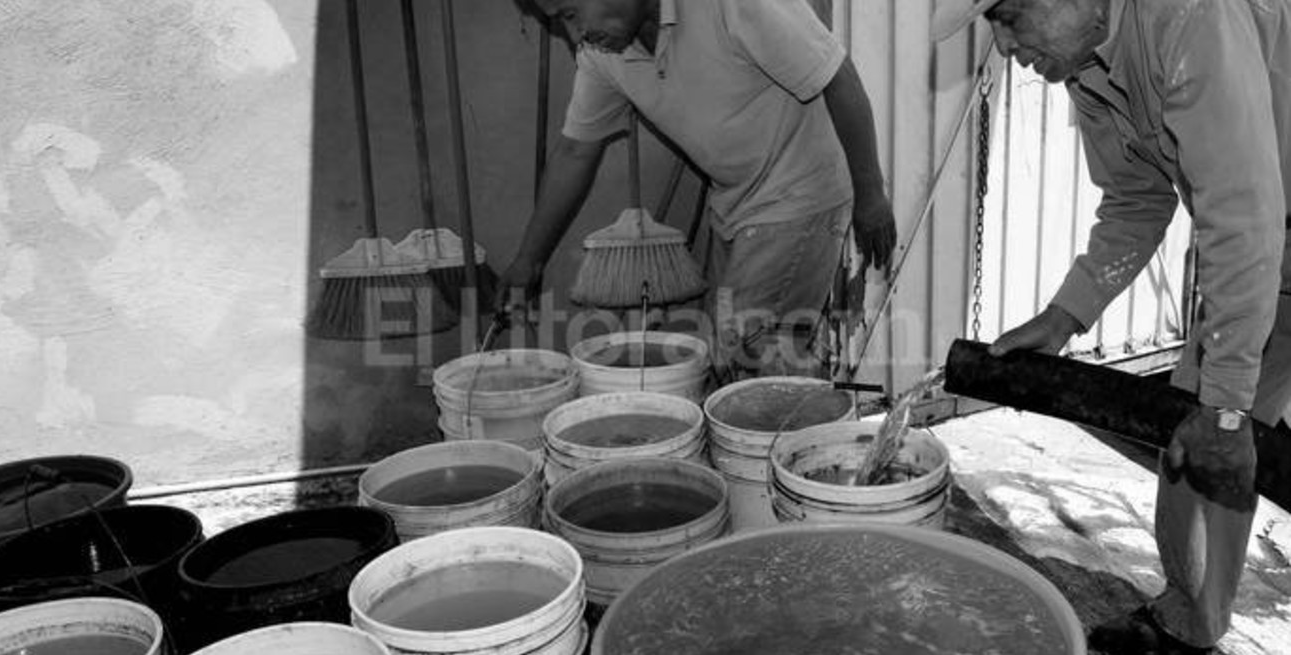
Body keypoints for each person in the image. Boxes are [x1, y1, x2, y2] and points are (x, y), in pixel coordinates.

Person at [933, 0, 1291, 652]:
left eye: (1011, 16)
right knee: (1191, 445)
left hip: (1262, 231)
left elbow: (1244, 215)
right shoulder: (1087, 66)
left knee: (1217, 425)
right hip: (1264, 249)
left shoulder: (1187, 18)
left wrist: (1231, 413)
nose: (1007, 46)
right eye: (994, 26)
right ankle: (1188, 623)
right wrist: (1062, 317)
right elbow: (1137, 198)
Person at [500, 0, 896, 381]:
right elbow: (574, 152)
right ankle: (785, 437)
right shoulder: (601, 53)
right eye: (561, 24)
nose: (576, 35)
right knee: (726, 360)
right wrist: (528, 261)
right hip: (734, 204)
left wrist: (871, 195)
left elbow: (836, 73)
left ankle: (792, 440)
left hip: (801, 190)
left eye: (571, 13)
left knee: (749, 352)